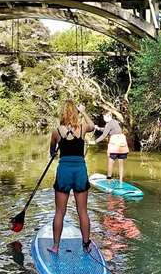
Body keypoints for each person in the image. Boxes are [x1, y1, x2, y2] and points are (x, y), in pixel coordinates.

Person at [47, 101, 96, 254]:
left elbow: (52, 152)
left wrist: (54, 152)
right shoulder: (82, 128)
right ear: (75, 113)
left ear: (62, 113)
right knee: (82, 211)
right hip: (79, 170)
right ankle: (86, 246)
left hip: (64, 171)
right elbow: (93, 126)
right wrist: (83, 111)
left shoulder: (56, 132)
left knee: (59, 212)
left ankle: (55, 247)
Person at [90, 109, 129, 185]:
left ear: (109, 116)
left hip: (115, 146)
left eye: (105, 117)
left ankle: (108, 181)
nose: (104, 119)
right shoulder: (115, 122)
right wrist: (98, 128)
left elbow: (104, 135)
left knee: (110, 163)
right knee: (121, 164)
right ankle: (121, 181)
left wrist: (94, 142)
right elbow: (107, 130)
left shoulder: (108, 124)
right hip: (122, 146)